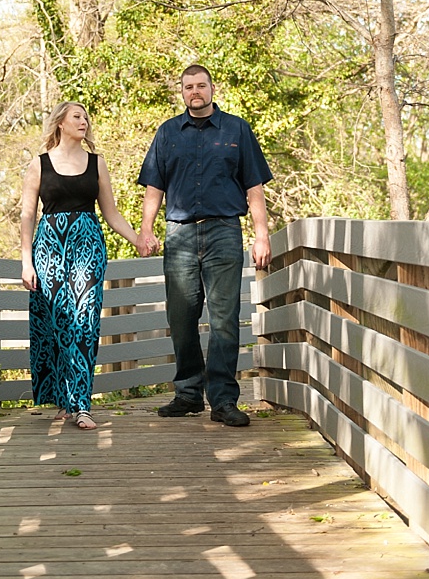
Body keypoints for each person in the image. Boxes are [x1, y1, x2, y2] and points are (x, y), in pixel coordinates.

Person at [140, 63, 274, 427]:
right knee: (181, 318)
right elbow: (155, 186)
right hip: (179, 234)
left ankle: (223, 400)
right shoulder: (168, 133)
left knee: (225, 319)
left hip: (224, 231)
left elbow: (254, 187)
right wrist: (145, 229)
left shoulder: (236, 129)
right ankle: (188, 393)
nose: (194, 92)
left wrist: (261, 234)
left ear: (212, 89)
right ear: (182, 93)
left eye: (200, 86)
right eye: (188, 87)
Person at [19, 102, 153, 430]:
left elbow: (111, 213)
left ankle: (81, 405)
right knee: (55, 322)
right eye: (77, 116)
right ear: (60, 123)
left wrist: (138, 238)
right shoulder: (39, 165)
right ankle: (63, 400)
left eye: (85, 117)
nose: (84, 121)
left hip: (87, 246)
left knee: (85, 320)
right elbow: (27, 215)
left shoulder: (97, 163)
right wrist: (26, 261)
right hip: (48, 248)